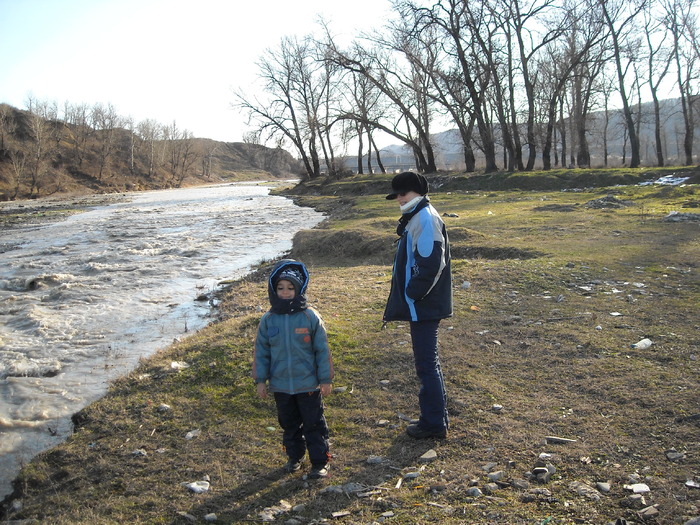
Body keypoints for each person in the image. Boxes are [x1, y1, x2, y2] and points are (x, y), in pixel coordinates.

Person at [383, 172, 453, 439]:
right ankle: (434, 418)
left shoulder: (424, 217)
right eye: (397, 195)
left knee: (427, 364)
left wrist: (413, 294)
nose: (399, 199)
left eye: (403, 193)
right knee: (427, 363)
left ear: (417, 192)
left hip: (423, 305)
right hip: (421, 304)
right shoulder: (417, 216)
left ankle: (434, 423)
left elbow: (432, 263)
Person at [253, 259, 334, 478]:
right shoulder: (268, 320)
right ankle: (294, 456)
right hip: (280, 386)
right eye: (281, 288)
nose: (286, 292)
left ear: (299, 289)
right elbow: (261, 352)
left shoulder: (310, 317)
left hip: (307, 384)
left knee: (314, 424)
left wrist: (325, 380)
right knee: (289, 425)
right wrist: (261, 380)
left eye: (291, 288)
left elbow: (322, 350)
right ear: (273, 289)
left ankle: (320, 461)